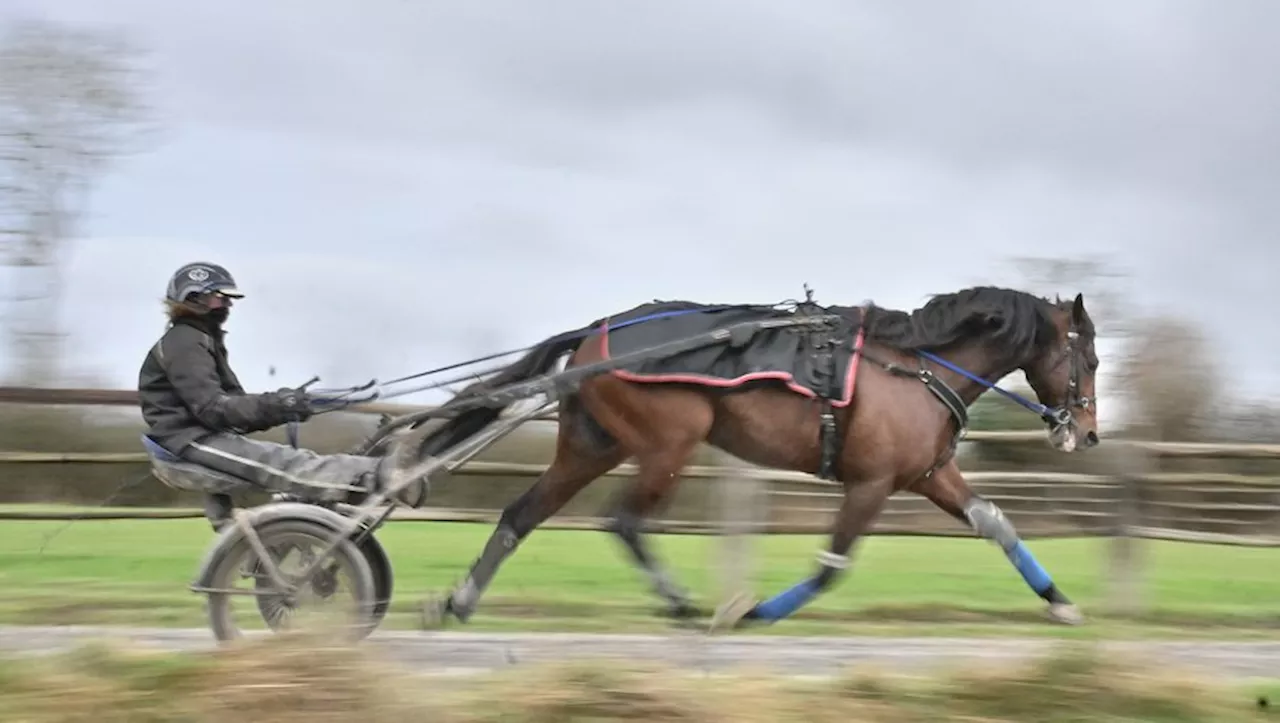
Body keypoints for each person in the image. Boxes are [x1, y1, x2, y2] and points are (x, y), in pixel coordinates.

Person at [137, 261, 426, 525]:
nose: (226, 305)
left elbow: (236, 408)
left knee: (285, 462)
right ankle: (377, 474)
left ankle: (282, 540)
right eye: (219, 297)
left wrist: (283, 406)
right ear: (194, 298)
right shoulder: (184, 342)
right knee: (283, 465)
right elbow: (215, 408)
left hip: (198, 436)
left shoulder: (202, 340)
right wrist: (279, 404)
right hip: (187, 441)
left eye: (227, 299)